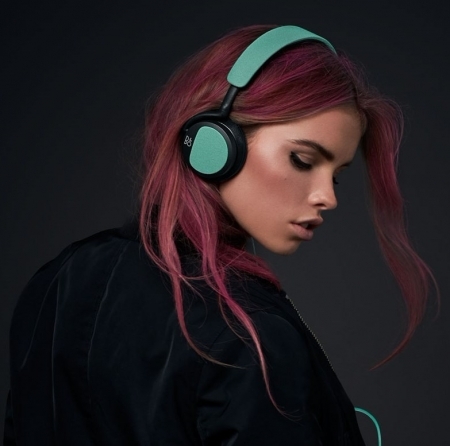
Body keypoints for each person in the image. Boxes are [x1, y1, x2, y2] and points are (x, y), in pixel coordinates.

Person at [3, 25, 435, 445]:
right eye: (303, 160)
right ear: (214, 145)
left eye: (336, 176)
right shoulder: (251, 334)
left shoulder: (57, 279)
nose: (328, 197)